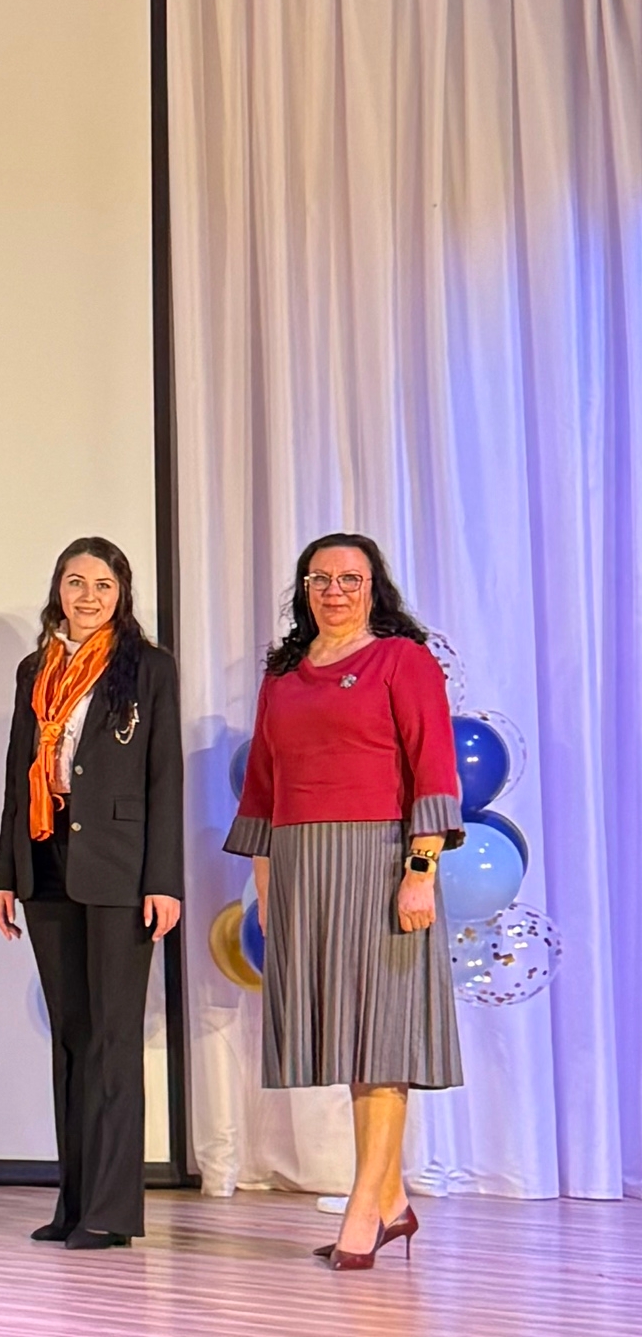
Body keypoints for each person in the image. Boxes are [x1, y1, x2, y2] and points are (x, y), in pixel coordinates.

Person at [226, 532, 463, 1270]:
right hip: (303, 865)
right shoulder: (283, 676)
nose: (334, 591)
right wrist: (266, 877)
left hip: (380, 861)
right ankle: (391, 1203)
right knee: (347, 1040)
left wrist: (420, 869)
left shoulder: (402, 660)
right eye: (319, 579)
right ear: (304, 590)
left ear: (372, 587)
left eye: (349, 579)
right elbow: (263, 781)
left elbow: (433, 764)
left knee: (382, 1039)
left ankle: (364, 1208)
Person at [0, 537, 183, 1251]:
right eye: (76, 583)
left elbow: (164, 777)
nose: (88, 596)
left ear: (121, 593)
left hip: (120, 868)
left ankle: (111, 1210)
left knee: (112, 1039)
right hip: (46, 860)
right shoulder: (35, 668)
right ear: (58, 591)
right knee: (70, 1038)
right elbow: (18, 775)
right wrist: (7, 871)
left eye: (103, 584)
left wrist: (163, 880)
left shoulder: (147, 667)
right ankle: (73, 1203)